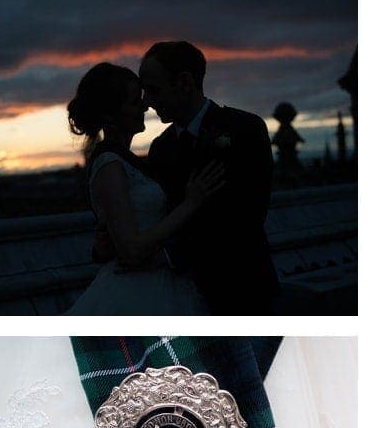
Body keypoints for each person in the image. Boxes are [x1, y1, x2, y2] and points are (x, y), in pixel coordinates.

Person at [66, 62, 224, 315]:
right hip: (140, 292)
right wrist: (190, 203)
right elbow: (132, 250)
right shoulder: (110, 165)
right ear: (110, 114)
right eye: (134, 101)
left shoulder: (130, 160)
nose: (145, 105)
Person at [138, 41, 280, 315]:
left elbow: (250, 212)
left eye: (154, 90)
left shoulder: (245, 129)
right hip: (182, 293)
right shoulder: (160, 149)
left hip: (245, 288)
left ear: (185, 83)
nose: (147, 102)